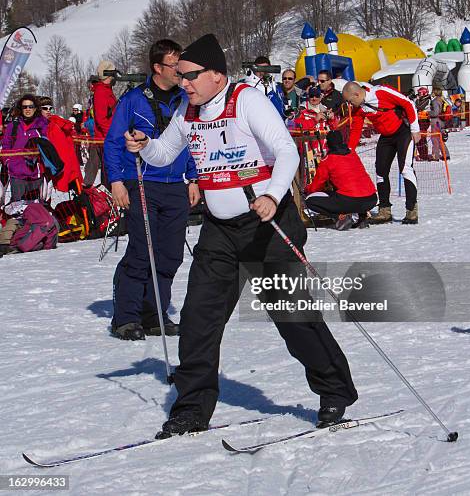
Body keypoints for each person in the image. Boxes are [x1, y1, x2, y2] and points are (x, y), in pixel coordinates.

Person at [125, 33, 358, 438]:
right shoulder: (188, 110)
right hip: (219, 231)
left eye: (190, 76)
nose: (183, 84)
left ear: (216, 74)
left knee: (293, 318)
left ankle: (334, 391)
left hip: (266, 224)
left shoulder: (246, 100)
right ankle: (191, 409)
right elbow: (164, 153)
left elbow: (287, 152)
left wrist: (271, 194)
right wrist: (145, 145)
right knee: (199, 319)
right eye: (180, 77)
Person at [105, 39, 200, 341]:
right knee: (141, 251)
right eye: (174, 65)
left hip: (175, 186)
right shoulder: (133, 99)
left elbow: (192, 141)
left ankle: (155, 313)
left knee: (170, 254)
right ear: (158, 67)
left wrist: (194, 177)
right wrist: (116, 181)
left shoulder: (186, 100)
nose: (180, 71)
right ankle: (127, 317)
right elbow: (113, 143)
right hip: (142, 181)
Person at [342, 81, 421, 225]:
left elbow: (408, 103)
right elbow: (356, 129)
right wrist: (350, 150)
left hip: (403, 132)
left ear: (357, 94)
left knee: (405, 169)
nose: (350, 104)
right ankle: (385, 210)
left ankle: (411, 210)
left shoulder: (381, 92)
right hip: (386, 137)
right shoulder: (358, 108)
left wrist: (415, 129)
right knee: (380, 171)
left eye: (350, 101)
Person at [304, 131, 377, 230]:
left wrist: (307, 190)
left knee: (310, 200)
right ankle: (362, 216)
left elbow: (317, 185)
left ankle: (340, 218)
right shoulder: (353, 154)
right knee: (349, 189)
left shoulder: (328, 160)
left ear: (328, 144)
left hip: (351, 201)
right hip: (371, 199)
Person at [1, 94, 48, 202]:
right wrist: (9, 163)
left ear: (35, 108)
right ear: (20, 109)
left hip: (36, 174)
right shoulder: (13, 126)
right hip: (17, 175)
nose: (27, 109)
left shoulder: (42, 126)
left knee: (35, 209)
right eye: (24, 107)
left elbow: (48, 147)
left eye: (30, 106)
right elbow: (6, 146)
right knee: (17, 208)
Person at [83, 60, 117, 189]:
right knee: (107, 171)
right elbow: (102, 118)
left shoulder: (106, 90)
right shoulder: (102, 91)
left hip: (104, 137)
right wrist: (113, 136)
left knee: (103, 168)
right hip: (104, 138)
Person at [39, 96, 83, 193]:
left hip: (62, 166)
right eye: (45, 108)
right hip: (44, 168)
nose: (48, 111)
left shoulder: (56, 124)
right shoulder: (40, 125)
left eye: (50, 108)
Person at [429, 86, 451, 161]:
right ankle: (446, 155)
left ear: (435, 93)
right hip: (441, 121)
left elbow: (435, 112)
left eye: (432, 92)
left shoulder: (435, 101)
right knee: (440, 139)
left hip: (436, 122)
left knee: (434, 139)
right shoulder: (442, 99)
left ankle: (436, 156)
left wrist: (428, 113)